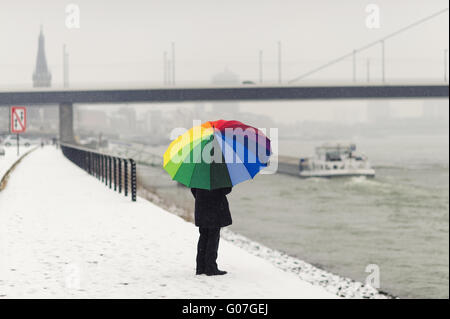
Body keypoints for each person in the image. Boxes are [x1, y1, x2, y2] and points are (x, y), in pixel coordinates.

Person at [191, 187, 232, 276]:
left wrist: (202, 197)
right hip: (215, 208)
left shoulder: (198, 174)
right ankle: (210, 267)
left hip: (201, 207)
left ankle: (200, 267)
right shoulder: (219, 174)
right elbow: (226, 190)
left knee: (203, 236)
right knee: (213, 237)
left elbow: (193, 190)